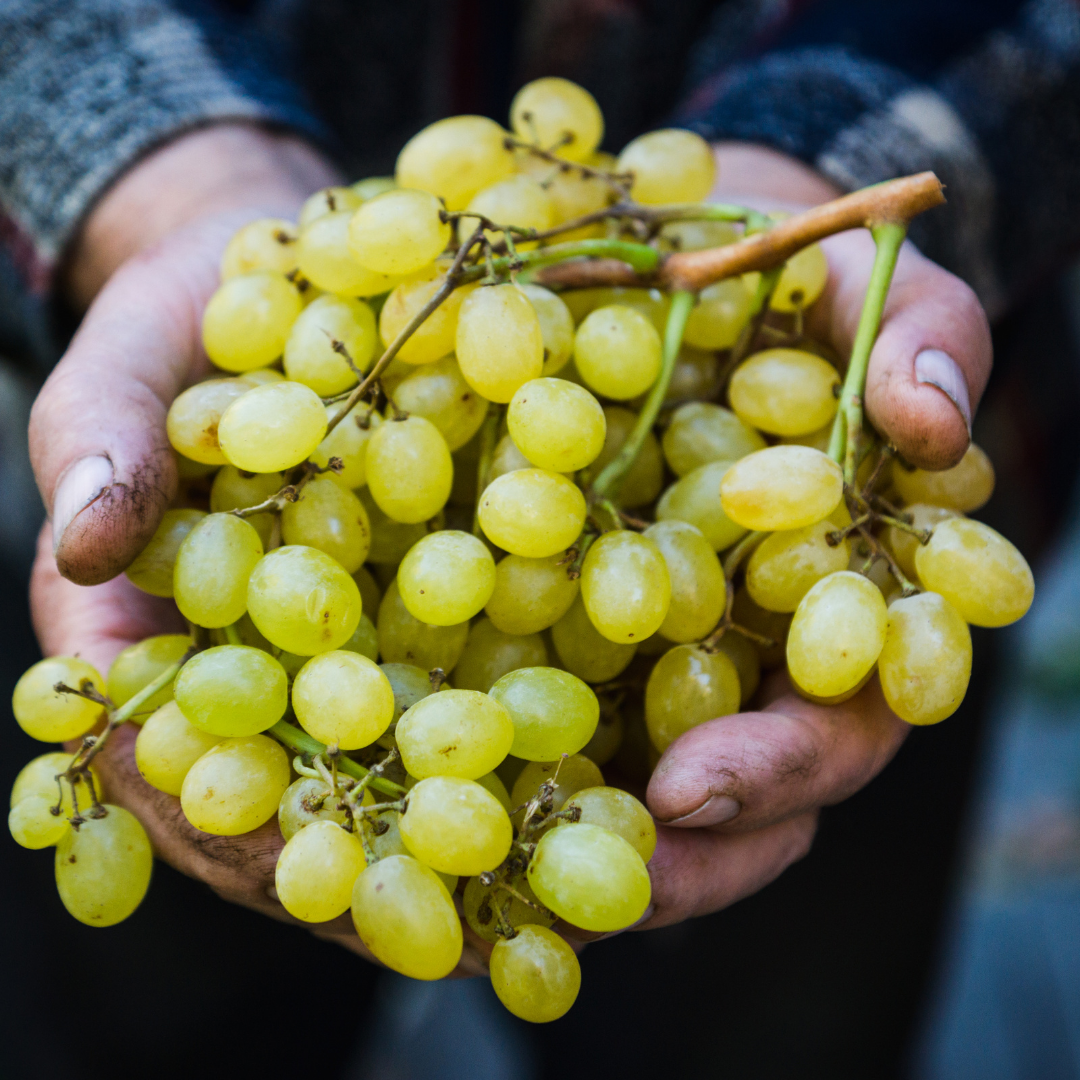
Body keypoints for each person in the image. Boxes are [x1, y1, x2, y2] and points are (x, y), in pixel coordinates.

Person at [1, 0, 1074, 995]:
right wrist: (161, 175)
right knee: (160, 1011)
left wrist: (845, 146)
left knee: (771, 998)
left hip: (871, 417)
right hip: (257, 220)